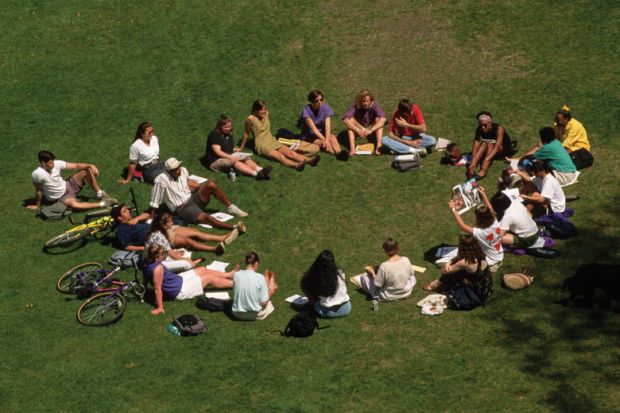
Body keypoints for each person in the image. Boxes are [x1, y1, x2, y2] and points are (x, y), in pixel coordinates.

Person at [149, 157, 248, 230]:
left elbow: (185, 183)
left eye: (178, 167)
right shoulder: (161, 180)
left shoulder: (183, 171)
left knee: (211, 184)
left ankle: (231, 208)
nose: (178, 170)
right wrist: (151, 217)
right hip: (183, 208)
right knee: (206, 217)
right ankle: (234, 227)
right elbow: (155, 199)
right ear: (168, 171)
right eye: (175, 170)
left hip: (192, 198)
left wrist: (197, 188)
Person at [143, 244, 235, 315]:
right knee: (209, 278)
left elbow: (146, 277)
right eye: (162, 255)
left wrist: (143, 289)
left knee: (202, 269)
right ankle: (236, 284)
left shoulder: (146, 263)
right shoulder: (158, 268)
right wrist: (160, 307)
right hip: (179, 291)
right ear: (156, 257)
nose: (164, 256)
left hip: (178, 280)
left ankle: (228, 275)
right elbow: (157, 289)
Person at [239, 100, 320, 171]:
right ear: (255, 111)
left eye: (264, 109)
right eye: (260, 110)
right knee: (280, 157)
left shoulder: (266, 114)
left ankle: (310, 161)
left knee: (291, 153)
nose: (263, 111)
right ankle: (296, 166)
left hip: (272, 140)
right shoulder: (251, 119)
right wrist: (240, 148)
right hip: (262, 145)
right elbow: (246, 133)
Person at [28, 150, 116, 211]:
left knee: (86, 170)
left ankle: (99, 194)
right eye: (50, 163)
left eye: (53, 161)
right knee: (75, 205)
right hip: (60, 197)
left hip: (68, 185)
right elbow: (39, 190)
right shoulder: (37, 174)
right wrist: (37, 205)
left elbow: (76, 166)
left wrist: (91, 165)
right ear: (43, 163)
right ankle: (103, 203)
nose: (53, 164)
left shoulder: (56, 163)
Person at [423, 234, 492, 303]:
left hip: (477, 292)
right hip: (486, 286)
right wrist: (449, 262)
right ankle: (435, 284)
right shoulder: (480, 253)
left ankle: (434, 285)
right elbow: (457, 258)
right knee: (456, 267)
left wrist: (447, 266)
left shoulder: (465, 262)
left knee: (450, 271)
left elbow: (444, 271)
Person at [202, 114, 272, 180]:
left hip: (225, 155)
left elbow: (227, 147)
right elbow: (217, 152)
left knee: (246, 158)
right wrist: (230, 157)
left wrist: (237, 150)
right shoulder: (214, 135)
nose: (228, 129)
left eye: (229, 126)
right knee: (234, 161)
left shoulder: (228, 134)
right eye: (225, 127)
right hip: (214, 160)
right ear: (220, 126)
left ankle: (260, 170)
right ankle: (256, 175)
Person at [448, 197, 504, 272]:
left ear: (479, 219)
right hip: (499, 256)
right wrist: (483, 194)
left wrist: (453, 209)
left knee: (467, 260)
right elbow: (491, 209)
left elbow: (462, 226)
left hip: (491, 262)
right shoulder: (495, 223)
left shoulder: (479, 233)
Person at [297, 90, 349, 161]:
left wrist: (327, 139)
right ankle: (338, 155)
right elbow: (314, 129)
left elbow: (327, 126)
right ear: (312, 102)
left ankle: (339, 153)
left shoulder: (325, 107)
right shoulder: (306, 112)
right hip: (310, 135)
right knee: (323, 144)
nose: (319, 102)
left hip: (322, 131)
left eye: (321, 100)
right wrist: (325, 140)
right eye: (317, 101)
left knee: (332, 138)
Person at [155, 212, 241, 254]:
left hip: (167, 230)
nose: (172, 223)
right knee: (188, 241)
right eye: (170, 222)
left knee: (195, 231)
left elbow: (170, 225)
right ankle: (214, 249)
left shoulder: (165, 225)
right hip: (166, 236)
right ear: (164, 225)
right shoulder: (156, 236)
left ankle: (222, 238)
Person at [300, 250, 351, 318]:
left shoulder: (316, 277)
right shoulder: (340, 273)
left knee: (304, 284)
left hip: (326, 312)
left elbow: (306, 287)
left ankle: (313, 305)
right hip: (346, 309)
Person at [231, 251, 278, 321]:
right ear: (256, 263)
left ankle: (269, 279)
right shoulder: (259, 277)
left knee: (265, 288)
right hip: (253, 314)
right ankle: (271, 281)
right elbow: (264, 303)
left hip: (236, 313)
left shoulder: (236, 274)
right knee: (270, 291)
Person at [468, 111, 512, 179]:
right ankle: (473, 166)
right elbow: (475, 145)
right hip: (491, 145)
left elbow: (497, 147)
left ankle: (484, 170)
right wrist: (473, 160)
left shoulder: (499, 129)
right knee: (484, 143)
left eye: (485, 125)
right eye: (481, 125)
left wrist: (486, 159)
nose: (483, 127)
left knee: (489, 144)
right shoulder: (479, 129)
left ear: (490, 122)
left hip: (504, 149)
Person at [342, 89, 386, 156]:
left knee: (378, 119)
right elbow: (345, 120)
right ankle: (352, 148)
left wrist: (371, 130)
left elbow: (383, 119)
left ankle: (378, 146)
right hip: (359, 127)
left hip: (371, 127)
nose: (366, 103)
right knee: (350, 120)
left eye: (367, 101)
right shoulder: (355, 105)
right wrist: (358, 130)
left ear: (370, 100)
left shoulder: (375, 105)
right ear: (360, 101)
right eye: (363, 101)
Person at [553, 105, 593, 169]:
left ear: (566, 119)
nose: (557, 121)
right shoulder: (557, 125)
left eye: (559, 120)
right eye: (556, 119)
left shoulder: (574, 127)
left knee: (559, 162)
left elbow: (566, 144)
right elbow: (554, 139)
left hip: (580, 150)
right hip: (568, 148)